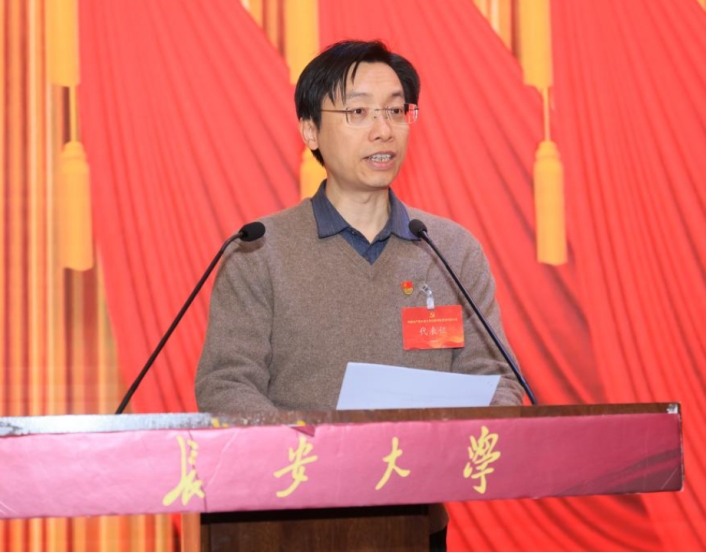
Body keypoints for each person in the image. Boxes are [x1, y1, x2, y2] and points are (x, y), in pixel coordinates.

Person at [195, 39, 524, 551]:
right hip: (285, 524)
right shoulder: (258, 250)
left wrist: (454, 444)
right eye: (358, 112)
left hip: (413, 522)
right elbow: (226, 385)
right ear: (310, 130)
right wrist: (321, 457)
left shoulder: (449, 250)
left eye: (395, 110)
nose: (383, 129)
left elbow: (497, 380)